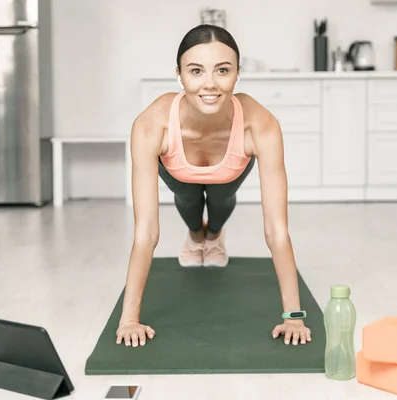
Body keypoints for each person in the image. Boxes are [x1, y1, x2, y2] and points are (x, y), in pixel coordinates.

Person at [116, 24, 311, 348]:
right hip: (177, 171)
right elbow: (146, 231)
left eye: (222, 70)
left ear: (237, 73)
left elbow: (277, 229)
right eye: (196, 71)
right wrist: (129, 320)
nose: (210, 84)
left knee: (221, 201)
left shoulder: (260, 123)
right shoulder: (152, 123)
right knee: (189, 201)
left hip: (227, 173)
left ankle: (214, 233)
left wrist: (294, 316)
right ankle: (197, 236)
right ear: (179, 75)